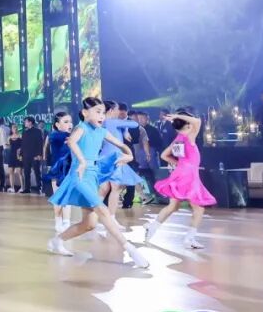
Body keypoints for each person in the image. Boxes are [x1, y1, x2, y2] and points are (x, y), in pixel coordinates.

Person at [46, 97, 149, 268]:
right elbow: (71, 142)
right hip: (79, 176)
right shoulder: (81, 128)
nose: (102, 116)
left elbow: (121, 145)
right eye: (98, 112)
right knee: (102, 210)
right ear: (85, 113)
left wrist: (129, 154)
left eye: (103, 112)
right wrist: (82, 161)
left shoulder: (101, 131)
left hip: (92, 176)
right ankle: (131, 249)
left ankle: (57, 241)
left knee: (89, 224)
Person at [145, 109, 215, 249]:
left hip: (179, 173)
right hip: (189, 176)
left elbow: (164, 155)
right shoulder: (190, 135)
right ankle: (189, 239)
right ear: (187, 124)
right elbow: (198, 121)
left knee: (173, 206)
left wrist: (180, 164)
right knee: (198, 209)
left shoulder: (178, 139)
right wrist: (177, 116)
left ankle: (152, 228)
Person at [95, 100, 141, 228]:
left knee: (103, 190)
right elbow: (134, 124)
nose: (118, 112)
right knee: (116, 189)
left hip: (102, 158)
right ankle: (111, 219)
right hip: (115, 158)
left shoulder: (101, 122)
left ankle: (95, 217)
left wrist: (124, 129)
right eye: (116, 109)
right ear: (111, 110)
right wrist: (125, 128)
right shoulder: (114, 122)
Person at [41, 112, 73, 231]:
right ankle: (59, 221)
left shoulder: (69, 135)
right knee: (59, 197)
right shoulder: (55, 135)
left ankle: (66, 222)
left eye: (70, 121)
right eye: (66, 122)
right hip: (58, 170)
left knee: (66, 197)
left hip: (69, 169)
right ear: (57, 125)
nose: (70, 124)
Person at [20, 116, 45, 195]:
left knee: (37, 172)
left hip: (35, 155)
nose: (25, 123)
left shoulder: (37, 131)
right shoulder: (24, 132)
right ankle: (27, 188)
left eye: (26, 121)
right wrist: (21, 154)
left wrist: (39, 154)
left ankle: (39, 188)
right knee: (26, 172)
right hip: (26, 155)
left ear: (30, 122)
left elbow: (40, 143)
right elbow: (23, 144)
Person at [6, 124, 23, 193]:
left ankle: (22, 187)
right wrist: (7, 146)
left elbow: (23, 145)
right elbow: (7, 146)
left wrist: (20, 153)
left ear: (17, 128)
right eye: (13, 128)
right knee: (11, 171)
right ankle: (12, 187)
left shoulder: (20, 136)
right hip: (11, 155)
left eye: (16, 128)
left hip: (18, 155)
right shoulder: (9, 137)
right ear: (11, 129)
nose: (15, 129)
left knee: (19, 172)